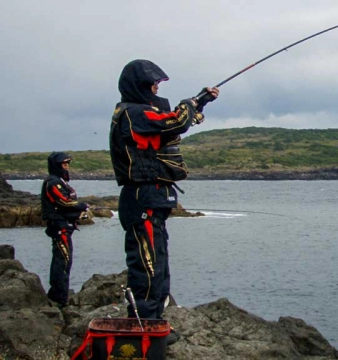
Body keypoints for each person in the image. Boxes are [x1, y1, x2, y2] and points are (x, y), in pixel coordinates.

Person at [109, 59, 219, 344]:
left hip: (151, 198)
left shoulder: (141, 115)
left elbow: (172, 127)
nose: (157, 88)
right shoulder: (133, 114)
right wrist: (189, 103)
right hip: (140, 198)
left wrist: (200, 102)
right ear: (140, 85)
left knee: (158, 264)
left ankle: (154, 322)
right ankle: (144, 328)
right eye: (154, 83)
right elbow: (175, 120)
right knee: (146, 266)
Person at [40, 152, 89, 308]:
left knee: (65, 261)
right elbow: (64, 202)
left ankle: (59, 294)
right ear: (57, 165)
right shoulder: (53, 182)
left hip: (66, 227)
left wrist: (78, 213)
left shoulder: (61, 182)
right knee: (63, 261)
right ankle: (59, 297)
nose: (67, 166)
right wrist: (81, 206)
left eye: (68, 163)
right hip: (59, 228)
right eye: (64, 164)